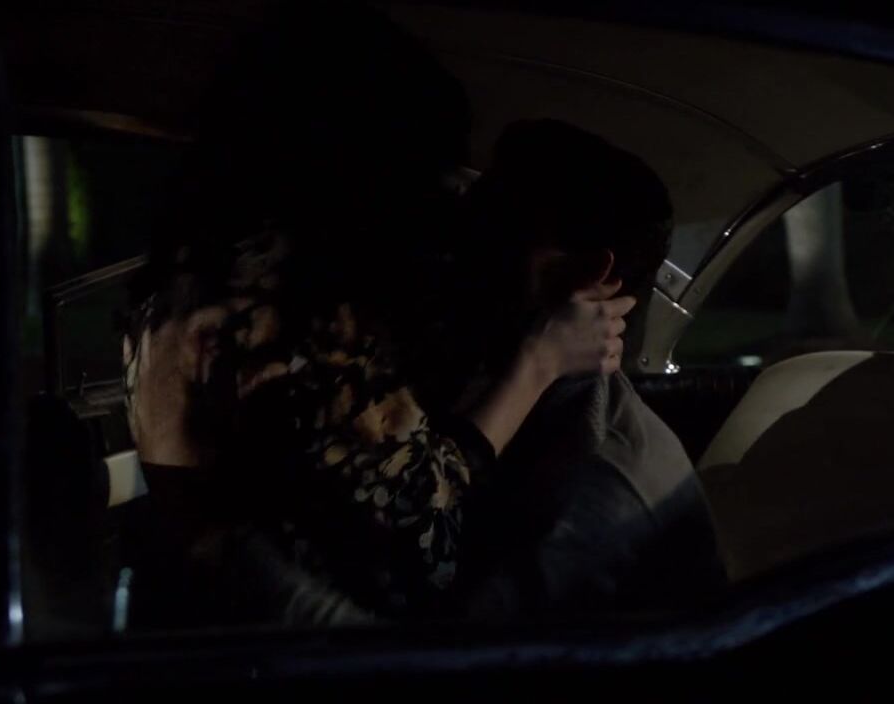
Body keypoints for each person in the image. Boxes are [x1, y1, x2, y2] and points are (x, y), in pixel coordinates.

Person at [122, 4, 636, 627]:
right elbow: (422, 532)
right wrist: (539, 362)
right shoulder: (303, 310)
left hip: (199, 626)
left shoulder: (186, 282)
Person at [449, 120, 724, 617]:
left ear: (591, 272)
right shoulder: (478, 367)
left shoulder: (594, 483)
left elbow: (446, 642)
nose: (467, 236)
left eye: (503, 227)